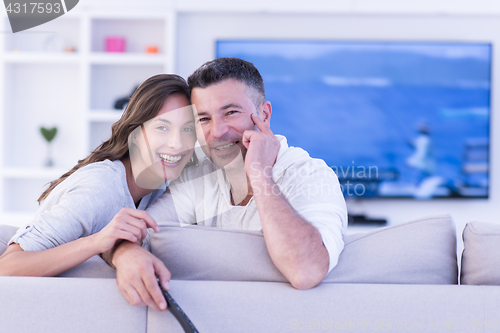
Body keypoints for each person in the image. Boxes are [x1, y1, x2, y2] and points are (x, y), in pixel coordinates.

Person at [107, 58, 348, 311]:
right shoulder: (197, 174)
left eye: (231, 112)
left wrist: (259, 174)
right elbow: (138, 231)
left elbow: (306, 270)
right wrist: (126, 253)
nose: (218, 131)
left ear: (263, 115)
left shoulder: (310, 175)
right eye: (204, 119)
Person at [0, 74, 197, 285]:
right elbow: (7, 267)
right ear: (135, 134)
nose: (178, 143)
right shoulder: (100, 187)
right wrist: (96, 242)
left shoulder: (160, 187)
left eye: (187, 129)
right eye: (163, 127)